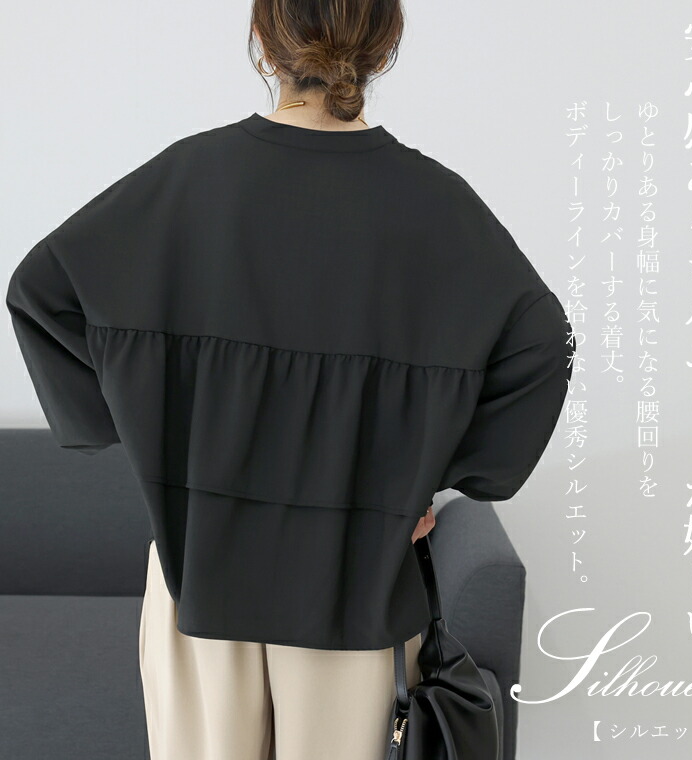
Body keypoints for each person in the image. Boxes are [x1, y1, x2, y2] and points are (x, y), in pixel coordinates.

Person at [5, 1, 576, 758]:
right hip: (358, 587)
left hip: (199, 576)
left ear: (262, 39)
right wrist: (432, 477)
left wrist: (149, 427)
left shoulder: (188, 179)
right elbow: (545, 343)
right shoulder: (437, 204)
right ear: (385, 44)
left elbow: (40, 292)